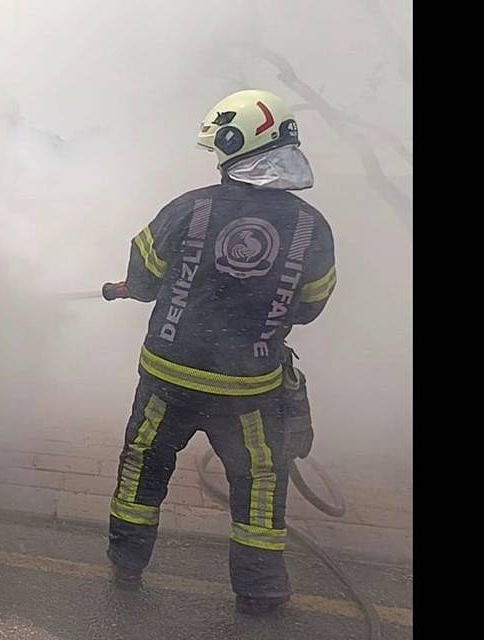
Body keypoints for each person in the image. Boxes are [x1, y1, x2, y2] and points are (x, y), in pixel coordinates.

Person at [104, 90, 336, 615]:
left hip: (169, 378)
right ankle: (260, 592)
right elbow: (310, 307)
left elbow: (143, 278)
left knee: (144, 466)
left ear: (234, 145)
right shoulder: (312, 227)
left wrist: (146, 286)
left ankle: (127, 567)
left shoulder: (189, 208)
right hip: (250, 391)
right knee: (258, 487)